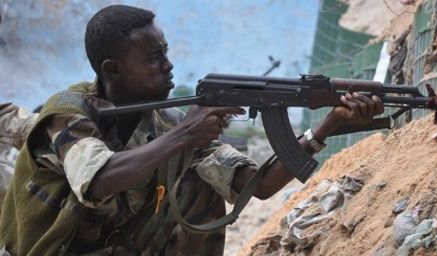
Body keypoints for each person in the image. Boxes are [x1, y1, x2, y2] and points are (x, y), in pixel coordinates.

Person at [0, 5, 384, 255]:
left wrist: (328, 126)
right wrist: (186, 134)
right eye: (154, 57)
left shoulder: (164, 124)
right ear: (112, 69)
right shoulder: (68, 114)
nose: (169, 65)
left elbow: (257, 185)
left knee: (201, 184)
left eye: (165, 51)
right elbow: (99, 180)